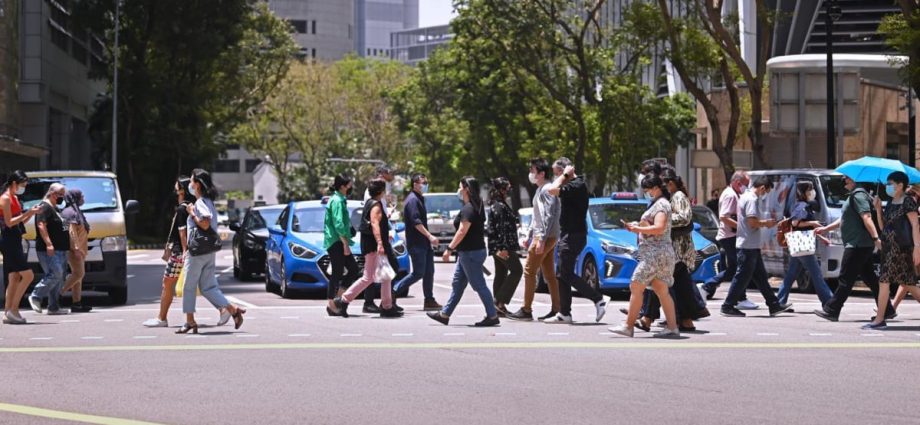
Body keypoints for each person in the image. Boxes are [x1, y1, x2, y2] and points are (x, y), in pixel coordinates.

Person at [637, 169, 710, 332]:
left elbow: (684, 218)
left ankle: (647, 317)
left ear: (670, 184)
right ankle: (686, 319)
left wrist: (662, 221)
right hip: (674, 250)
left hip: (678, 250)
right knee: (678, 286)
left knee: (657, 280)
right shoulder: (670, 198)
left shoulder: (678, 197)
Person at [609, 173, 680, 338]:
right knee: (661, 289)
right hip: (662, 253)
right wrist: (637, 226)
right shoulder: (660, 203)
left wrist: (637, 229)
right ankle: (672, 327)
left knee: (636, 285)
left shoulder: (661, 204)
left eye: (648, 189)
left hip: (655, 254)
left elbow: (659, 227)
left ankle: (628, 326)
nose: (647, 192)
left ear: (656, 188)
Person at [814, 176, 893, 322]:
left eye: (847, 179)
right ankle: (887, 309)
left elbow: (867, 217)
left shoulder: (859, 196)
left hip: (858, 245)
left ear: (855, 180)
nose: (844, 181)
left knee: (845, 278)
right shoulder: (854, 197)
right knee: (870, 279)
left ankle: (832, 310)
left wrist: (876, 239)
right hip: (859, 244)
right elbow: (844, 218)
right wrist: (826, 228)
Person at [177, 169, 246, 334]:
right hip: (208, 250)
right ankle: (233, 309)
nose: (190, 185)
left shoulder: (199, 203)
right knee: (207, 286)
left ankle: (190, 321)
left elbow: (205, 223)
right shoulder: (208, 201)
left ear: (198, 185)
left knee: (189, 285)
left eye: (192, 181)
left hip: (197, 251)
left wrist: (192, 213)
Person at [427, 177, 500, 327]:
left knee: (479, 285)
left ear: (466, 188)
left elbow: (462, 231)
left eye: (460, 187)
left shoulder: (469, 208)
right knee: (458, 284)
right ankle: (445, 314)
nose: (458, 190)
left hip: (470, 253)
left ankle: (492, 315)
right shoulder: (476, 205)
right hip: (468, 252)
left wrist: (448, 249)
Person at [545, 158, 608, 324]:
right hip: (568, 234)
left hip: (574, 235)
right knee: (561, 274)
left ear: (566, 171)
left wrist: (565, 174)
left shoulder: (576, 185)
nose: (556, 177)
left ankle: (598, 299)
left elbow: (552, 189)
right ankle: (564, 313)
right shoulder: (572, 185)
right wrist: (564, 175)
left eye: (557, 173)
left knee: (565, 273)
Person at [720, 177, 791, 317]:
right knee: (742, 276)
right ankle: (727, 305)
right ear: (762, 188)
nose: (765, 195)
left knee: (761, 277)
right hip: (748, 245)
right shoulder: (752, 199)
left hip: (751, 244)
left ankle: (773, 304)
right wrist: (766, 223)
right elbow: (752, 222)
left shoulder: (745, 197)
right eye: (767, 191)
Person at [332, 178, 402, 318]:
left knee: (386, 274)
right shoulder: (376, 206)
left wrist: (383, 238)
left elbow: (375, 226)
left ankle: (387, 306)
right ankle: (343, 300)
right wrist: (380, 243)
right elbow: (375, 225)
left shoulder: (370, 203)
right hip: (374, 246)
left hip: (374, 244)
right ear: (381, 191)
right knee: (368, 277)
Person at [865, 171, 920, 330]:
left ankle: (880, 319)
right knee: (909, 285)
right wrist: (878, 210)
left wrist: (917, 248)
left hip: (902, 249)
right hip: (889, 248)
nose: (887, 186)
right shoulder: (890, 202)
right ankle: (880, 318)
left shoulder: (908, 202)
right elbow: (884, 227)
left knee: (884, 281)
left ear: (900, 185)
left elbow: (915, 225)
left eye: (891, 184)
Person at [508, 158, 561, 321]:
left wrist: (541, 239)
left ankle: (526, 309)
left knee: (529, 271)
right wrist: (530, 234)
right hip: (544, 235)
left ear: (542, 173)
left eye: (533, 171)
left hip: (545, 236)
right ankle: (557, 309)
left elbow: (549, 215)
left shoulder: (547, 190)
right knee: (549, 274)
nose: (530, 173)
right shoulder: (540, 190)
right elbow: (537, 215)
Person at [143, 177, 200, 327]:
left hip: (179, 253)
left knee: (167, 283)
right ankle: (227, 310)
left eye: (177, 190)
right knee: (200, 286)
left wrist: (184, 252)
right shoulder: (192, 206)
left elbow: (183, 232)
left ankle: (162, 318)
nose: (175, 193)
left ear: (183, 191)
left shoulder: (183, 208)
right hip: (186, 252)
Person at [700, 171, 757, 310]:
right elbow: (724, 217)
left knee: (733, 269)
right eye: (745, 185)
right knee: (741, 268)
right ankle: (739, 298)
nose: (747, 188)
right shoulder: (730, 195)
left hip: (731, 236)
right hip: (729, 237)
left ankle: (707, 287)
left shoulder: (733, 193)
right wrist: (742, 227)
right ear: (738, 183)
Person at [776, 181, 833, 306]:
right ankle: (829, 301)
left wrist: (822, 238)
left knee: (791, 275)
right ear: (802, 192)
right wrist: (813, 223)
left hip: (800, 245)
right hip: (802, 245)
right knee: (816, 274)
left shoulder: (804, 205)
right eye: (809, 189)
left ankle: (779, 302)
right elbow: (796, 223)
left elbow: (805, 229)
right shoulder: (802, 206)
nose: (812, 192)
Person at [392, 173, 442, 311]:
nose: (425, 185)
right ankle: (394, 291)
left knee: (429, 272)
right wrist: (430, 236)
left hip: (424, 243)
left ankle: (429, 299)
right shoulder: (412, 200)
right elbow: (416, 222)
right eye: (423, 182)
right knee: (418, 273)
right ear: (415, 184)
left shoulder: (419, 198)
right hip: (417, 243)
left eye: (426, 182)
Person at [2, 171, 41, 324]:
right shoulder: (5, 199)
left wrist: (31, 213)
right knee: (28, 275)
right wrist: (29, 212)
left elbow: (19, 222)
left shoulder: (15, 198)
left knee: (14, 276)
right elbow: (9, 222)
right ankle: (13, 309)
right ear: (14, 183)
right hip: (8, 240)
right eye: (22, 185)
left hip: (15, 238)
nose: (23, 188)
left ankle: (8, 312)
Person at [28, 183, 71, 315]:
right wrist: (49, 244)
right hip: (50, 249)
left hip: (61, 248)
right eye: (61, 195)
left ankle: (53, 307)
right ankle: (35, 296)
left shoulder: (55, 208)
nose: (63, 197)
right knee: (55, 274)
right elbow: (41, 225)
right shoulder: (44, 207)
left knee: (60, 277)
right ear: (52, 194)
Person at [323, 174, 361, 317]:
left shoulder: (340, 199)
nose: (351, 187)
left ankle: (339, 298)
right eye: (349, 185)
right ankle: (332, 304)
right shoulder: (337, 201)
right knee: (339, 272)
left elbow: (342, 222)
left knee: (352, 269)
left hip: (339, 240)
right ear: (342, 186)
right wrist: (345, 244)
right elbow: (338, 224)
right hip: (336, 241)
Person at [362, 165, 398, 313]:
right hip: (377, 238)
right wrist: (380, 242)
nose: (391, 175)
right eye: (389, 172)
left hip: (381, 235)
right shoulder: (374, 194)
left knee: (379, 271)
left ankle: (387, 302)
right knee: (372, 274)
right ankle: (378, 302)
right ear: (381, 175)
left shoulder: (381, 194)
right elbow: (375, 219)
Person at [487, 177, 522, 317]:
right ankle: (498, 302)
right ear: (501, 190)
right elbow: (500, 228)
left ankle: (498, 308)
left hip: (499, 246)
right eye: (507, 188)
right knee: (517, 271)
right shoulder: (499, 206)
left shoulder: (499, 204)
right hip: (502, 246)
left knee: (501, 274)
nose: (508, 191)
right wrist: (502, 248)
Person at [59, 189, 92, 313]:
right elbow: (71, 232)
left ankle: (76, 303)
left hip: (80, 250)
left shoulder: (76, 212)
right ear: (75, 198)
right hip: (74, 250)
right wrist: (76, 248)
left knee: (78, 277)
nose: (83, 198)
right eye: (81, 196)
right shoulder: (69, 213)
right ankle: (58, 293)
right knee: (78, 274)